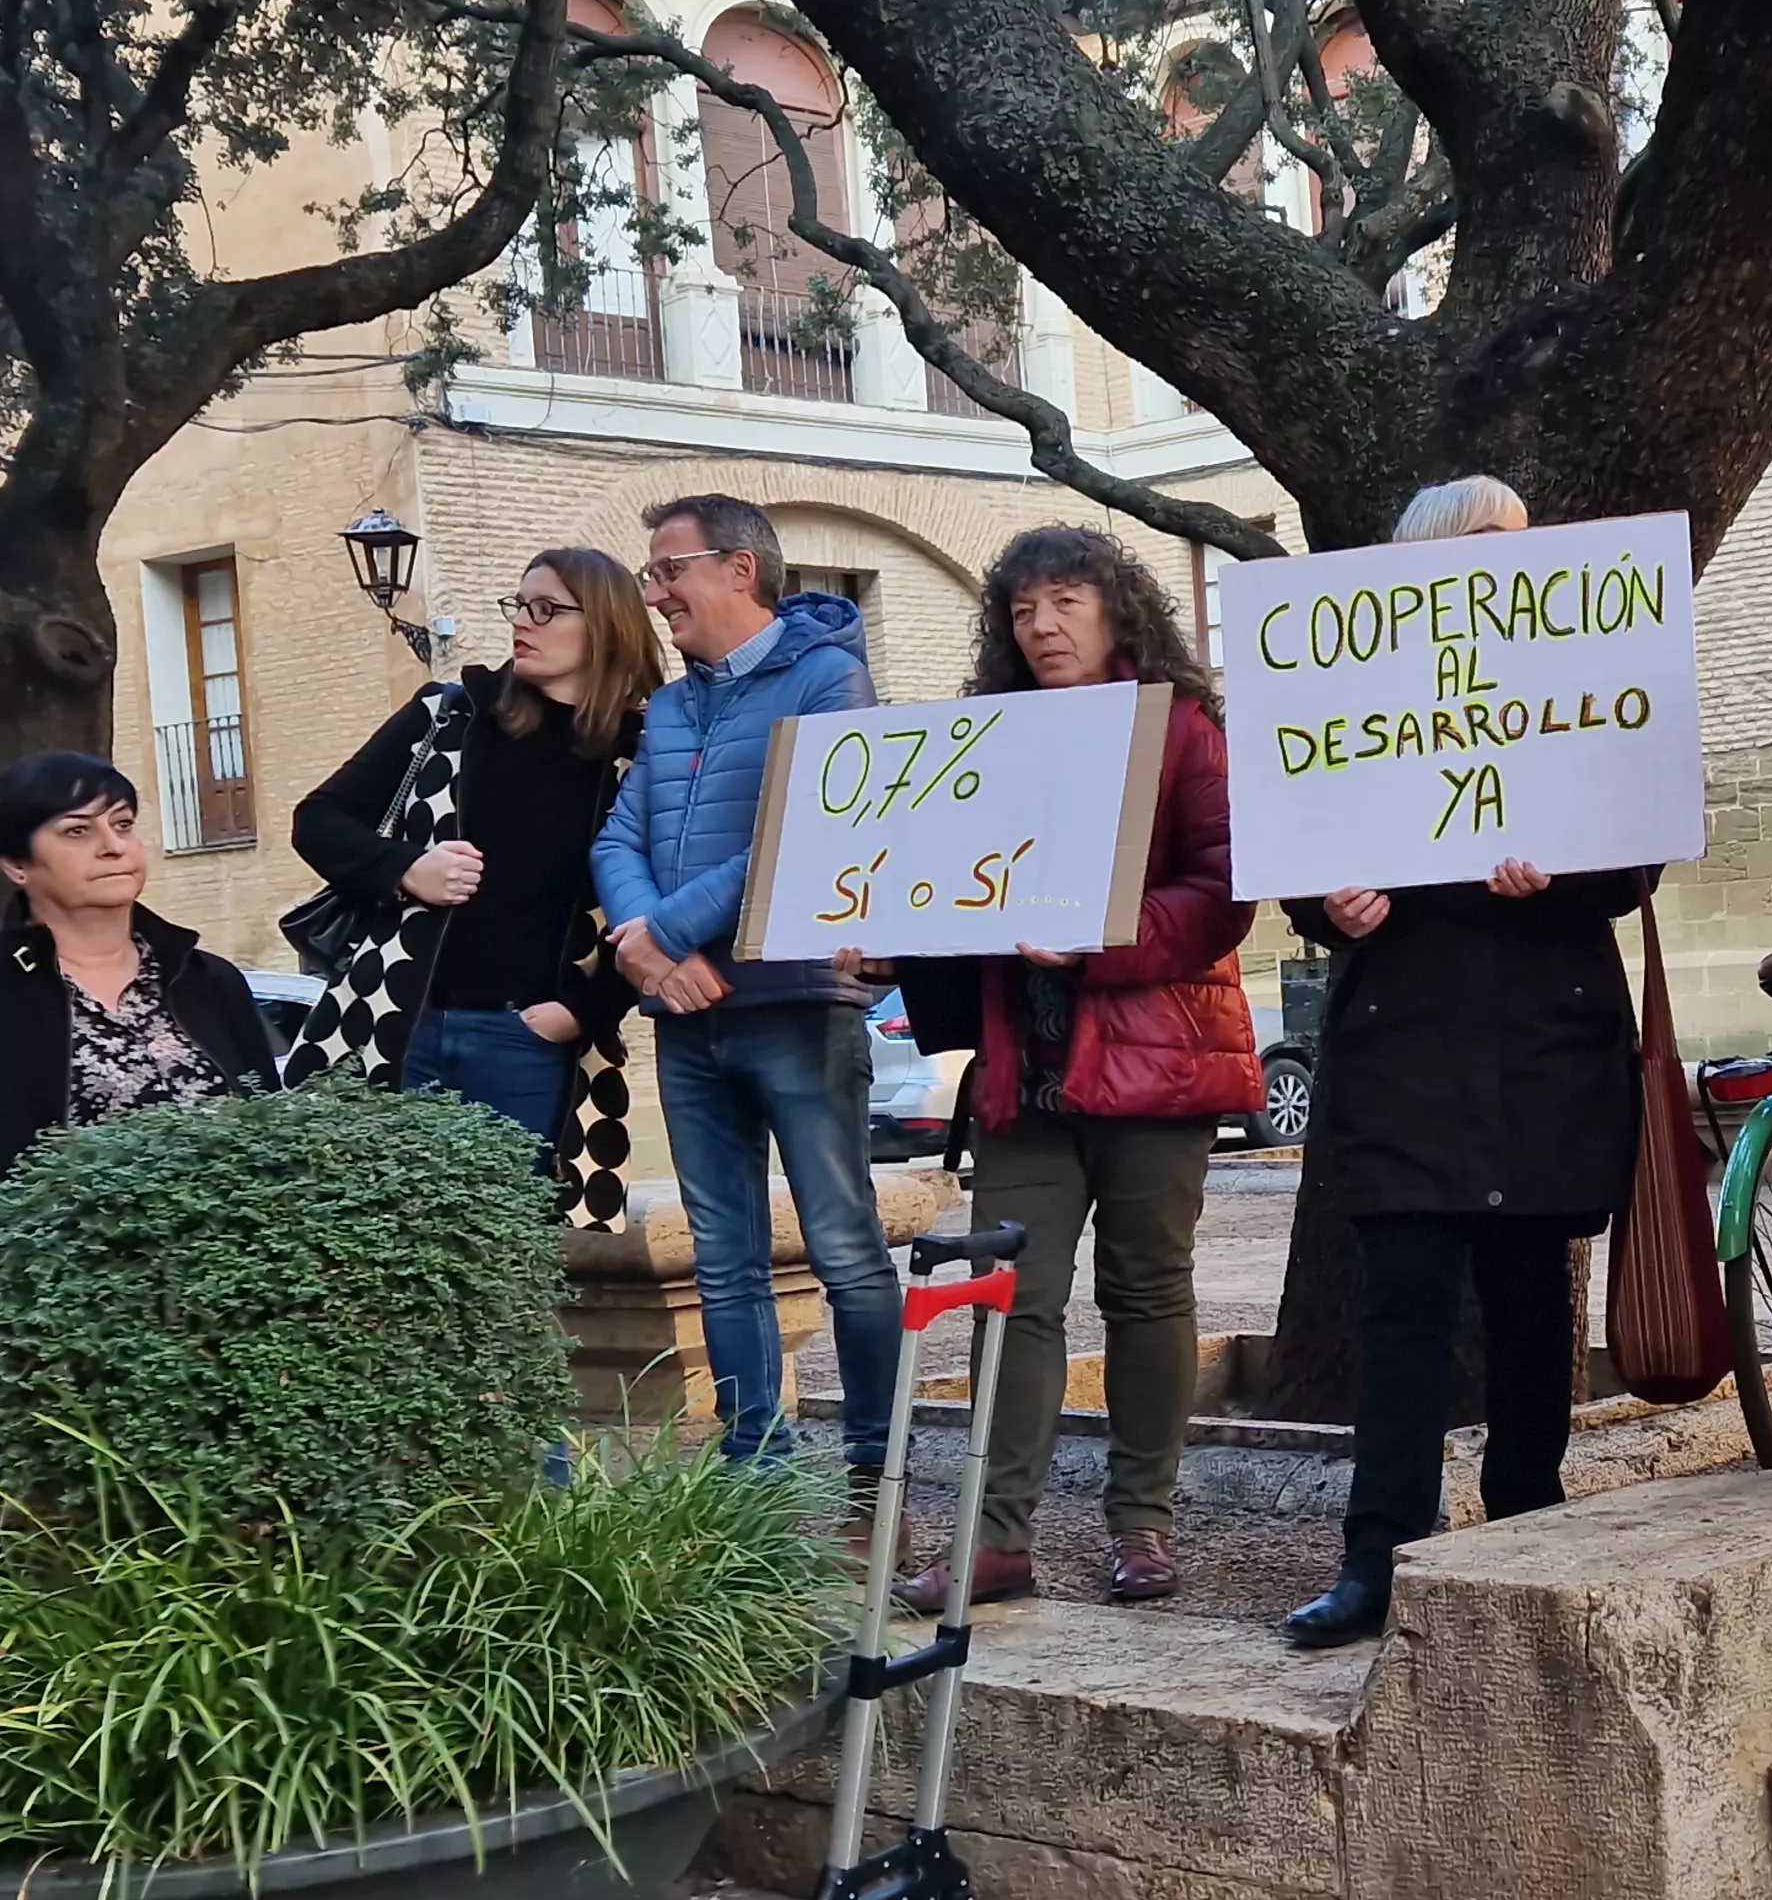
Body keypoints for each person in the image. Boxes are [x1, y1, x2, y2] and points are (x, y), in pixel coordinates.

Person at [1277, 475, 1657, 1652]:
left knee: (1531, 1299)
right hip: (1409, 1037)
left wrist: (1564, 867)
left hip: (1540, 1037)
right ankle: (1378, 1553)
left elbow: (1633, 862)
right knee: (1401, 1307)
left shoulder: (1579, 687)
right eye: (1499, 547)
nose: (1521, 565)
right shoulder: (1352, 688)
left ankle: (1527, 1522)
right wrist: (1331, 905)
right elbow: (1305, 848)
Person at [883, 526, 1257, 1614]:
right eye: (1021, 608)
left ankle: (1142, 1525)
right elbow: (942, 879)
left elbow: (1228, 883)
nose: (1041, 625)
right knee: (1011, 1299)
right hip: (1024, 1075)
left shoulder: (1181, 729)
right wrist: (881, 930)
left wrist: (1102, 937)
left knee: (1146, 1294)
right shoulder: (984, 739)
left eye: (1065, 601)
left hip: (1155, 1064)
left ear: (1117, 609)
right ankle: (995, 1541)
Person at [0, 754, 280, 1537]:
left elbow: (272, 1146)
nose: (113, 847)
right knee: (42, 1599)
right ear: (17, 864)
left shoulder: (208, 981)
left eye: (122, 824)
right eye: (78, 831)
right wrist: (1, 1313)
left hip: (215, 1355)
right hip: (41, 1360)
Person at [590, 493, 902, 1471]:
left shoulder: (828, 680)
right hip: (688, 1016)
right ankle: (754, 1465)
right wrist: (648, 954)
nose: (653, 592)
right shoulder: (675, 704)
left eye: (667, 569)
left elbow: (802, 826)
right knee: (722, 1258)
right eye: (650, 573)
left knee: (843, 1246)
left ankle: (873, 1464)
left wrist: (658, 933)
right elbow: (616, 834)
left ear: (740, 569)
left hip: (799, 1001)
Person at [285, 547, 662, 1214]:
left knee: (509, 1247)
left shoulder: (644, 751)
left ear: (605, 626)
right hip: (402, 1020)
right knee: (375, 1235)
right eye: (519, 605)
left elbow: (661, 901)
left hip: (528, 1041)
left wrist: (584, 1011)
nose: (524, 622)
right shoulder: (453, 717)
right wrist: (405, 870)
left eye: (547, 609)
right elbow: (318, 820)